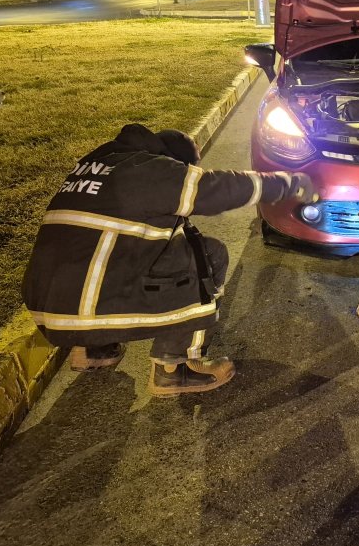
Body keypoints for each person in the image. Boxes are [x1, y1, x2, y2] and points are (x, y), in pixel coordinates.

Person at [22, 123, 317, 397]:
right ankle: (174, 368)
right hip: (89, 301)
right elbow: (217, 188)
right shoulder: (155, 171)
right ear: (177, 163)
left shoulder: (101, 163)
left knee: (117, 246)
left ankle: (93, 350)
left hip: (48, 307)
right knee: (207, 255)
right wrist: (287, 184)